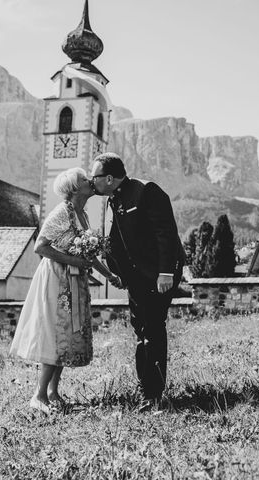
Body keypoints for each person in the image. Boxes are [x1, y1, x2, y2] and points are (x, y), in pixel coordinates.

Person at [10, 167, 120, 414]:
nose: (90, 180)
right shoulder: (62, 212)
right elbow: (40, 247)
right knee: (55, 333)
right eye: (84, 179)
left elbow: (87, 256)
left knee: (68, 334)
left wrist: (109, 275)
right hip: (56, 278)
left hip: (74, 278)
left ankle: (53, 392)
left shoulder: (83, 214)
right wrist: (73, 262)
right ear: (73, 188)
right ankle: (38, 395)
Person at [90, 153, 185, 411]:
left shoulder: (146, 191)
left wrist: (165, 272)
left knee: (153, 329)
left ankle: (154, 395)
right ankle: (145, 386)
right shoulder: (116, 198)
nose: (92, 181)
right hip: (136, 278)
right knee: (140, 329)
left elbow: (165, 233)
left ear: (109, 178)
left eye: (94, 176)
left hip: (158, 275)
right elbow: (120, 241)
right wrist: (117, 271)